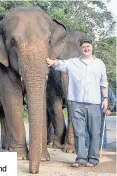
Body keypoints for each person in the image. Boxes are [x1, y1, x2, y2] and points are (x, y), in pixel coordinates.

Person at [46, 39, 108, 167]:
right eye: (84, 47)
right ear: (80, 49)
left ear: (92, 48)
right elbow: (60, 64)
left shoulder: (99, 64)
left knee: (95, 132)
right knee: (79, 132)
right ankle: (81, 159)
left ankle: (93, 159)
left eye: (88, 46)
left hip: (94, 103)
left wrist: (106, 99)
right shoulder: (73, 62)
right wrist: (51, 62)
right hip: (76, 103)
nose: (86, 48)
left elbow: (104, 83)